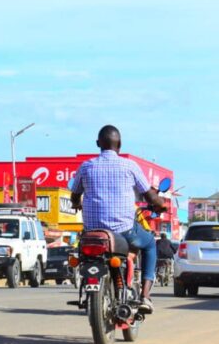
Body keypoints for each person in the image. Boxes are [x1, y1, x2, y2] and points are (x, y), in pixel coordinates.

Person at [71, 125, 166, 313]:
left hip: (93, 232)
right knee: (149, 245)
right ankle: (145, 296)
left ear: (98, 144)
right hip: (124, 230)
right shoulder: (130, 166)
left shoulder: (87, 166)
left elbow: (75, 195)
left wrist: (77, 203)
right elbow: (149, 196)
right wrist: (160, 204)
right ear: (119, 144)